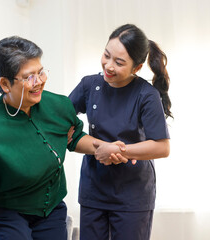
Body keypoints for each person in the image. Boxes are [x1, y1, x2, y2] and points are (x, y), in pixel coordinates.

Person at [0, 36, 127, 240]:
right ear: (5, 83)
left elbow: (73, 138)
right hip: (7, 211)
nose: (39, 82)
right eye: (29, 77)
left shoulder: (59, 106)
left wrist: (104, 147)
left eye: (41, 72)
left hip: (51, 207)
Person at [69, 24, 172, 240]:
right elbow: (62, 121)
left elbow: (162, 147)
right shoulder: (89, 85)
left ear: (137, 67)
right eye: (106, 55)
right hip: (93, 189)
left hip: (132, 194)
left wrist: (118, 151)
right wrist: (99, 148)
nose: (108, 65)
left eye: (119, 62)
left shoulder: (146, 95)